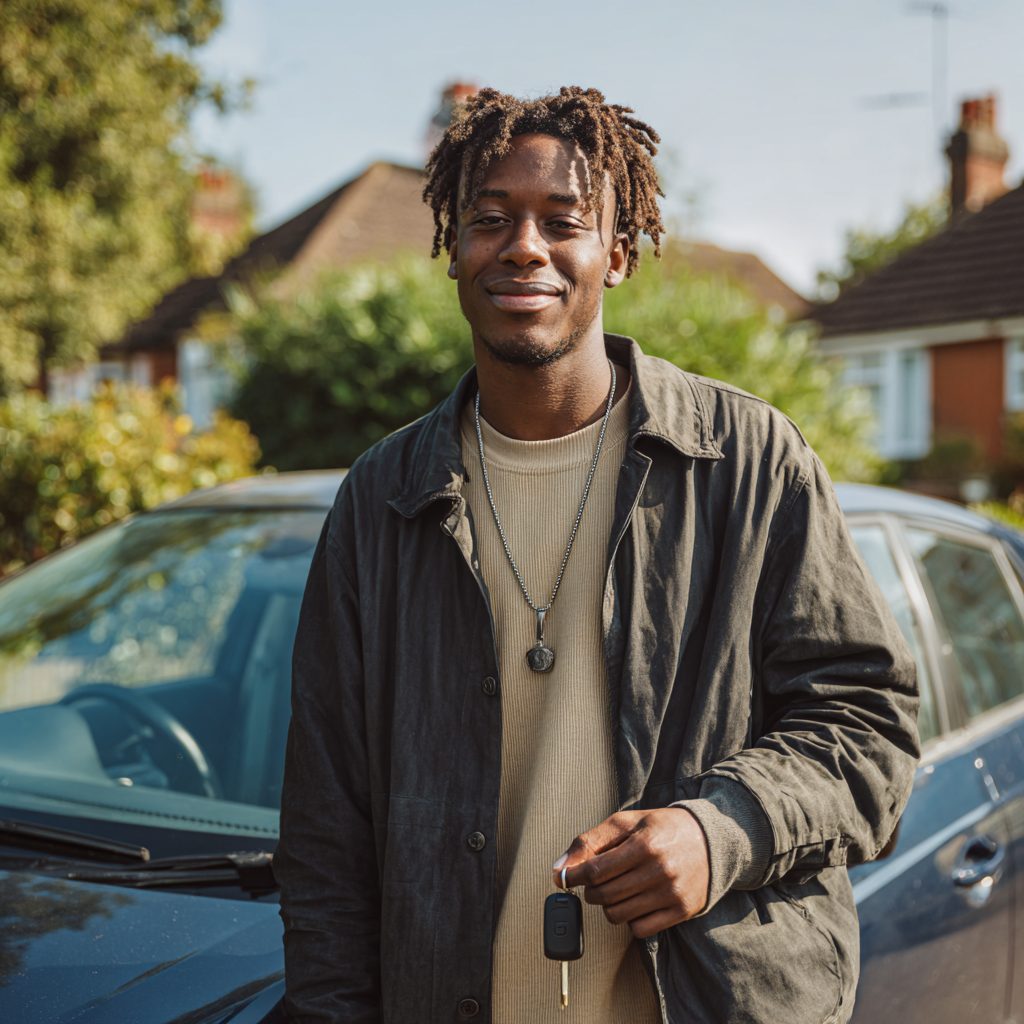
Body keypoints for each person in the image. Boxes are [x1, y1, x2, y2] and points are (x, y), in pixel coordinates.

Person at [275, 86, 919, 1024]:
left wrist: (722, 831)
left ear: (616, 252)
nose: (523, 246)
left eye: (562, 221)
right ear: (453, 249)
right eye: (490, 219)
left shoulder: (747, 463)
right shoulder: (381, 500)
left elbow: (869, 723)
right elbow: (325, 827)